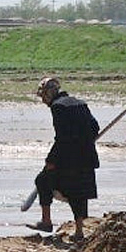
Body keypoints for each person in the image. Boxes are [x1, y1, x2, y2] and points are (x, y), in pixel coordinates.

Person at [28, 76, 99, 243]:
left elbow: (63, 137)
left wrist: (51, 159)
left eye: (44, 96)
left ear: (49, 94)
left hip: (69, 159)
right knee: (78, 194)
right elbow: (94, 128)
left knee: (42, 180)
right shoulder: (80, 103)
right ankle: (79, 232)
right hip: (87, 156)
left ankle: (46, 222)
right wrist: (85, 141)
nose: (44, 100)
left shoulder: (58, 107)